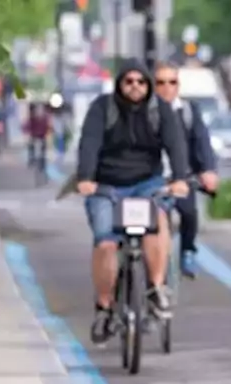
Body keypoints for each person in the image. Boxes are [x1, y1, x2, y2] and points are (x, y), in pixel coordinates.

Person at [75, 60, 191, 344]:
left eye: (141, 81)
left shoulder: (159, 110)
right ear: (119, 84)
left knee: (157, 222)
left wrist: (179, 178)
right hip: (107, 187)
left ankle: (155, 287)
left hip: (146, 184)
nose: (135, 86)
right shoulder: (102, 108)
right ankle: (104, 308)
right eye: (129, 81)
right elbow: (89, 143)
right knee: (105, 242)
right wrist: (86, 178)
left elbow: (176, 145)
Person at [153, 62, 219, 279]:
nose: (166, 87)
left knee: (189, 214)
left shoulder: (189, 111)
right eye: (160, 82)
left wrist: (208, 170)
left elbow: (202, 141)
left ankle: (188, 251)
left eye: (172, 82)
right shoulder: (144, 113)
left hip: (181, 176)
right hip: (152, 178)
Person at [22, 102, 51, 168]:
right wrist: (27, 133)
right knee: (31, 145)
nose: (39, 112)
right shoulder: (32, 118)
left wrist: (48, 132)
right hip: (34, 135)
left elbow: (48, 127)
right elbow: (27, 126)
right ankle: (31, 158)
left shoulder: (45, 118)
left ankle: (42, 160)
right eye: (38, 110)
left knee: (43, 147)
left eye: (40, 110)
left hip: (42, 135)